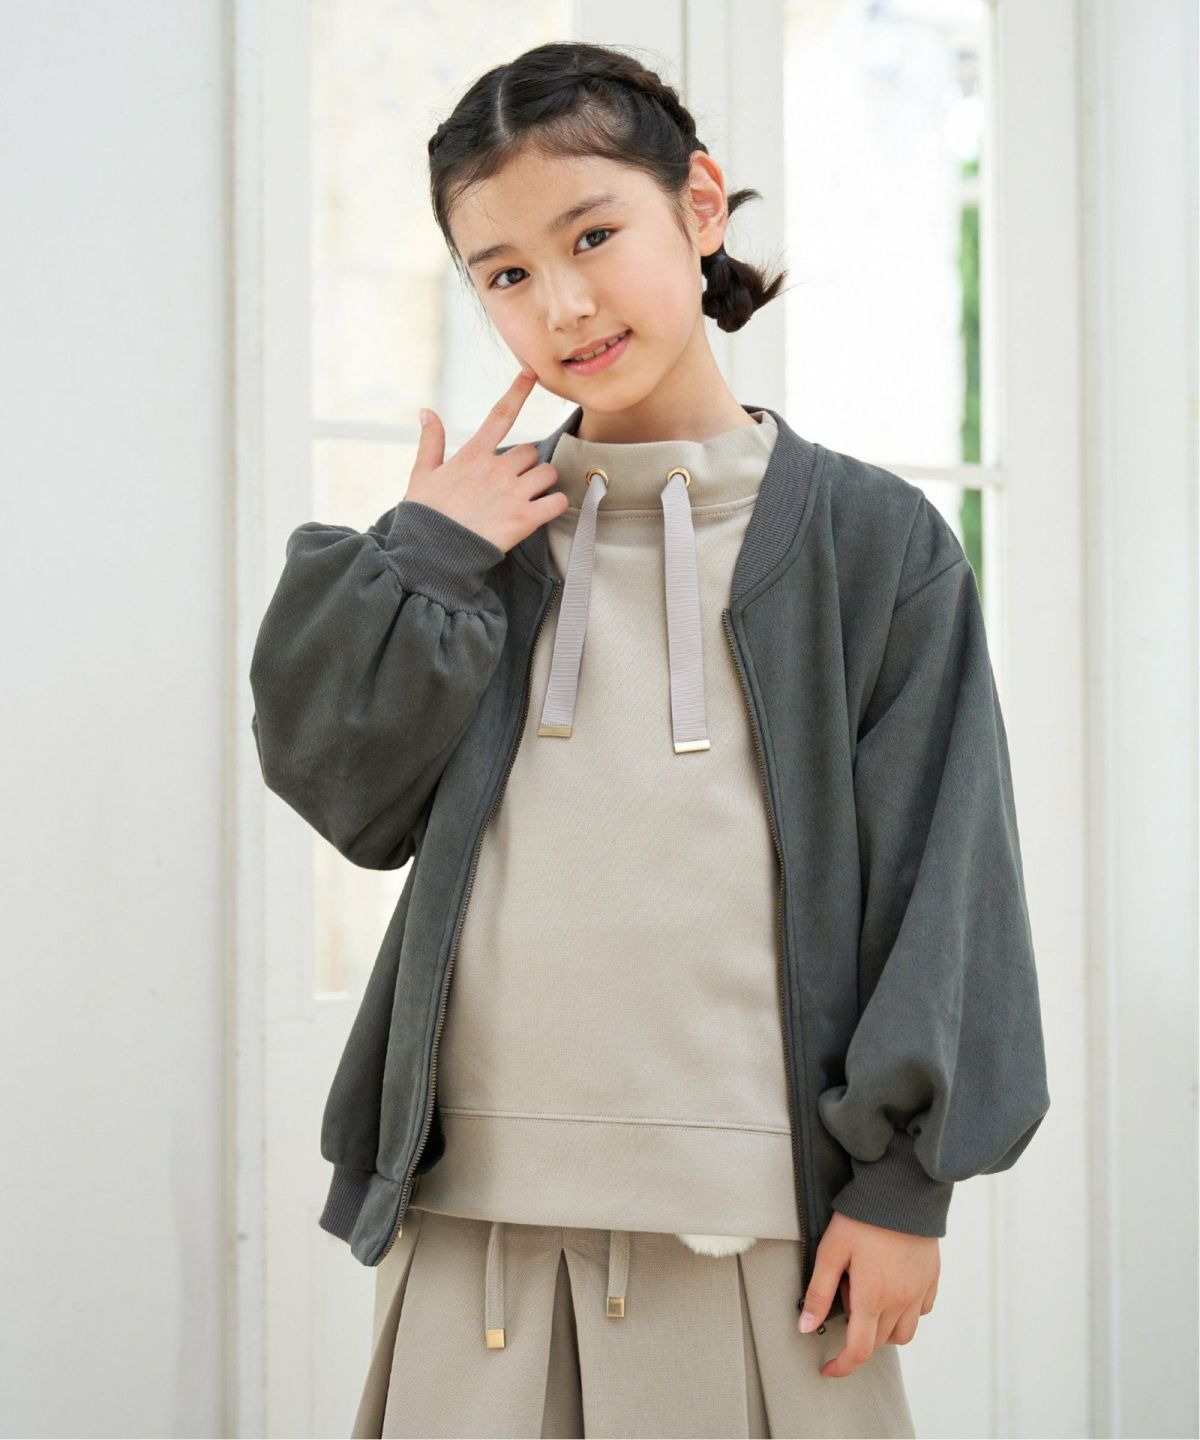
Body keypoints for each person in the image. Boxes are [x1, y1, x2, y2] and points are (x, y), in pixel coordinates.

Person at [248, 38, 1051, 1440]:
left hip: (762, 1232)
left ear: (699, 203)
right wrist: (424, 560)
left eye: (591, 235)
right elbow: (345, 792)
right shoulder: (471, 541)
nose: (561, 303)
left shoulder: (873, 545)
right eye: (504, 274)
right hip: (474, 1221)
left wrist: (903, 1185)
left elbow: (950, 872)